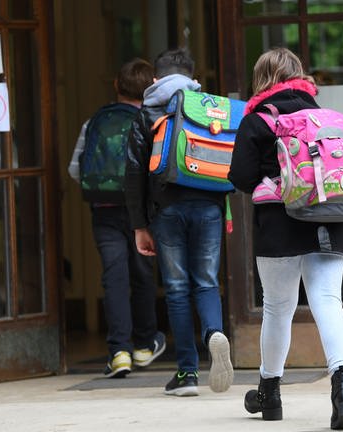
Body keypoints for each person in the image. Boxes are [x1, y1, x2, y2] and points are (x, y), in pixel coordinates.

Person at [228, 47, 343, 430]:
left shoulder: (258, 120)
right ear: (300, 76)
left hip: (279, 222)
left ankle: (270, 392)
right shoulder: (324, 117)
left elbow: (240, 177)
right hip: (330, 219)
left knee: (278, 308)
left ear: (263, 79)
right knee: (328, 300)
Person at [124, 48, 233, 397]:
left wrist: (139, 225)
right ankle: (214, 332)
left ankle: (187, 373)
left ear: (156, 79)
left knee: (176, 289)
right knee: (206, 282)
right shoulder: (208, 105)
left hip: (166, 209)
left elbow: (134, 173)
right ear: (193, 75)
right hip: (209, 206)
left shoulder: (147, 112)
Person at [68, 58, 166, 378]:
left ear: (115, 86)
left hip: (105, 212)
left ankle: (119, 352)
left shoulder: (94, 122)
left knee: (114, 278)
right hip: (142, 214)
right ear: (151, 85)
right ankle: (144, 344)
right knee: (142, 276)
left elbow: (75, 170)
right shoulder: (152, 121)